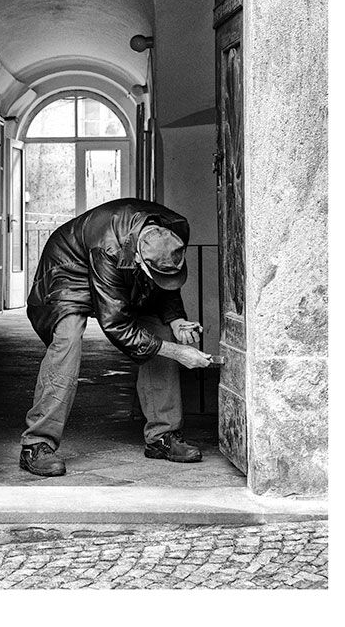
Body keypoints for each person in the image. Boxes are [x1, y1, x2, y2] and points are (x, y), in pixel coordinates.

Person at [20, 197, 216, 477]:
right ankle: (37, 443)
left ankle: (162, 436)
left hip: (120, 263)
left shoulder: (176, 229)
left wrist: (176, 320)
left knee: (160, 332)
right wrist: (177, 352)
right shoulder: (107, 248)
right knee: (67, 341)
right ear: (138, 259)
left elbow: (165, 284)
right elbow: (116, 325)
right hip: (70, 266)